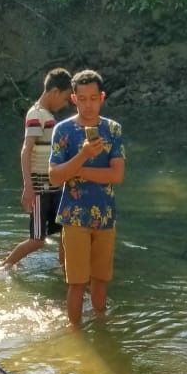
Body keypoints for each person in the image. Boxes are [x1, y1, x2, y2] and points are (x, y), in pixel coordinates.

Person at [48, 69, 125, 325]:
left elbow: (116, 175)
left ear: (102, 97)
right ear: (73, 99)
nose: (88, 105)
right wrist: (83, 155)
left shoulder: (112, 129)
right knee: (77, 282)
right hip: (74, 216)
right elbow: (55, 177)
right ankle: (75, 334)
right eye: (82, 99)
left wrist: (78, 171)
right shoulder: (63, 130)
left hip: (105, 215)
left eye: (93, 98)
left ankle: (101, 328)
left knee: (101, 279)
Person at [3, 67, 73, 270]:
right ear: (55, 92)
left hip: (54, 187)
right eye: (65, 98)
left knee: (66, 230)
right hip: (41, 188)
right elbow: (26, 149)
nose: (65, 104)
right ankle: (5, 266)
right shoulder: (36, 114)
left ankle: (64, 270)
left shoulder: (47, 116)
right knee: (37, 240)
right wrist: (28, 187)